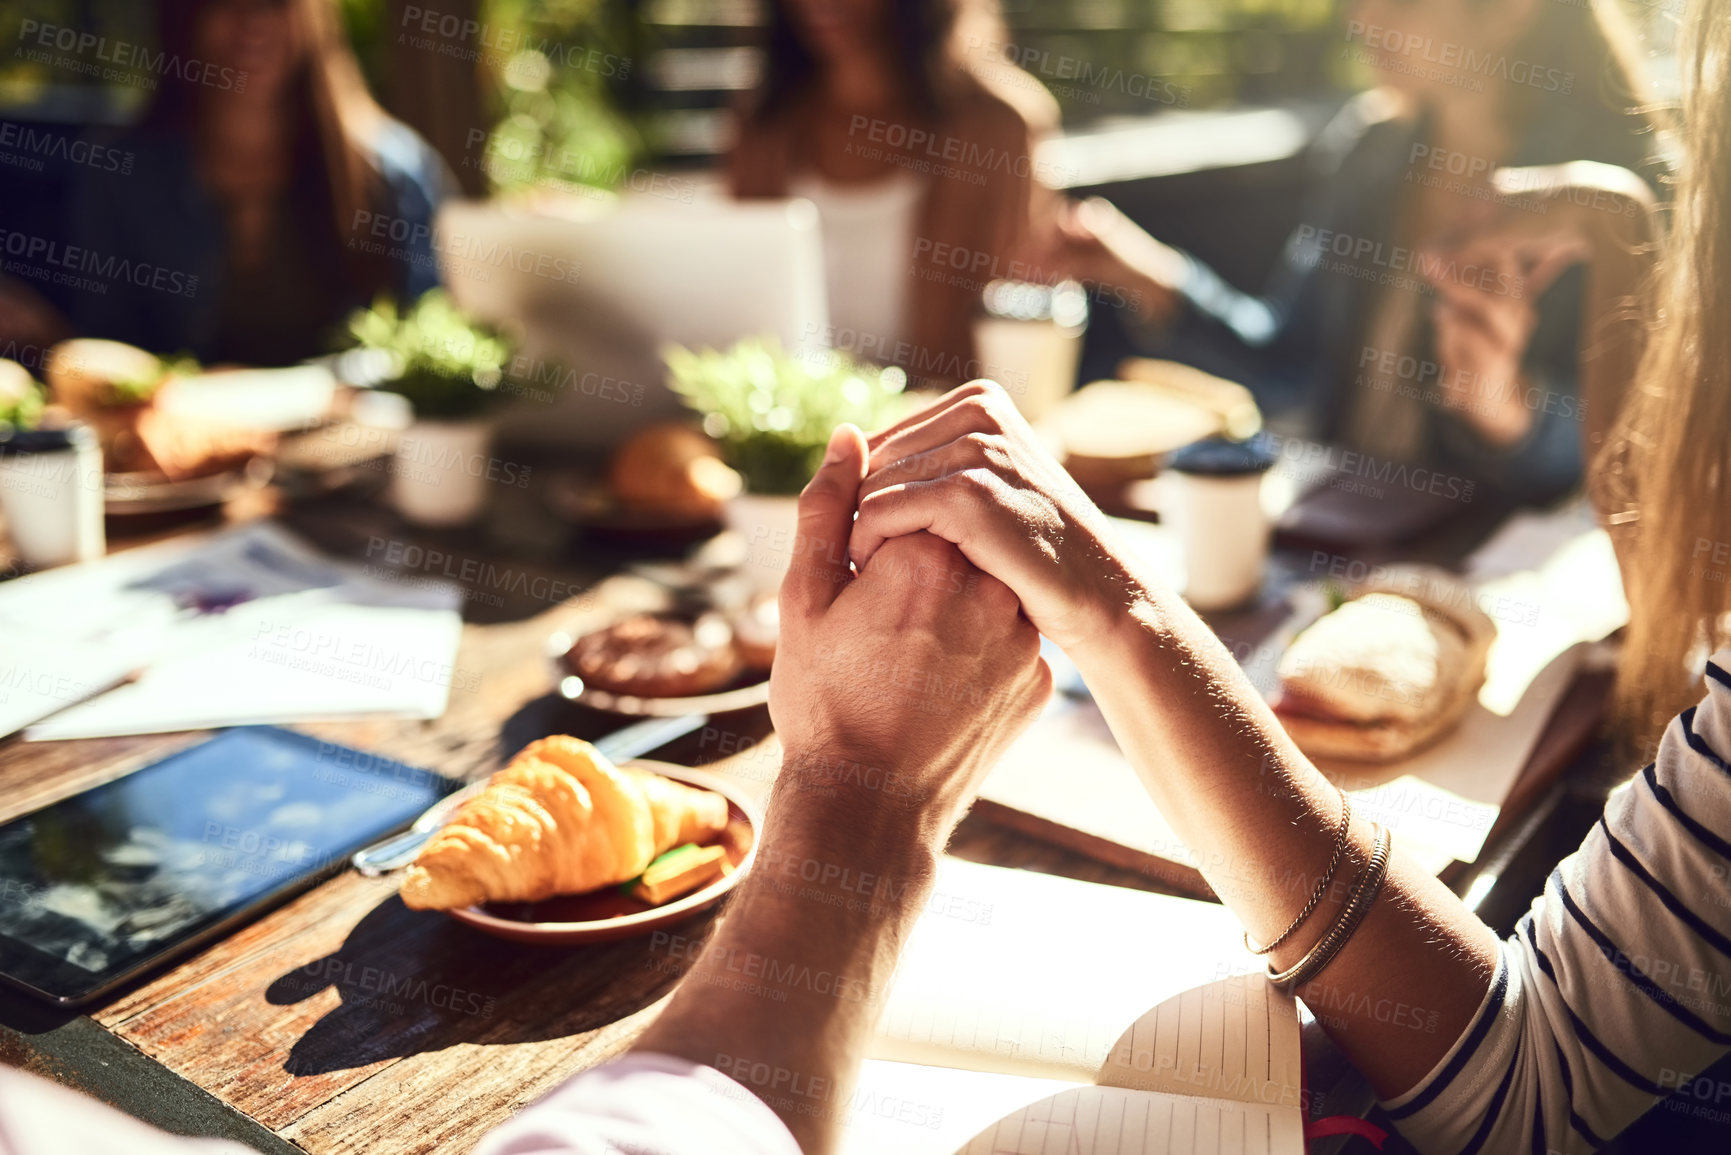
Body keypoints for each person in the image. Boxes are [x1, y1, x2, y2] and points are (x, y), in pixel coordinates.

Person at [1035, 0, 1661, 505]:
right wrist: (1149, 277)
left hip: (1503, 575)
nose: (1361, 17)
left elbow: (1633, 454)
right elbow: (1291, 360)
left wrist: (1505, 405)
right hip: (1341, 541)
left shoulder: (1617, 197)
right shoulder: (1372, 151)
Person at [0, 0, 450, 367]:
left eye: (275, 3)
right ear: (184, 17)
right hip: (182, 464)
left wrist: (286, 394)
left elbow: (431, 352)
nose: (251, 21)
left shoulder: (395, 172)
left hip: (360, 460)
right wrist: (49, 339)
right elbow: (119, 351)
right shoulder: (119, 172)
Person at [729, 0, 1058, 387]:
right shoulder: (762, 126)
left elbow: (1015, 331)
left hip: (935, 430)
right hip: (783, 428)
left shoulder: (998, 128)